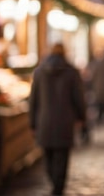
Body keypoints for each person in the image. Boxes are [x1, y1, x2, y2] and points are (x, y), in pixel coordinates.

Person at [29, 43, 87, 195]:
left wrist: (32, 123)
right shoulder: (72, 72)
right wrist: (82, 117)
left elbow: (33, 100)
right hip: (65, 121)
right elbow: (78, 97)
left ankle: (53, 181)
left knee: (47, 155)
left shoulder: (39, 72)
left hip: (44, 121)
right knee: (62, 157)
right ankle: (58, 187)